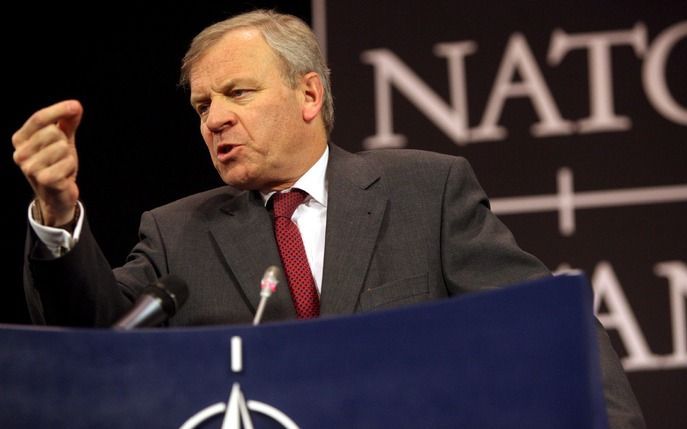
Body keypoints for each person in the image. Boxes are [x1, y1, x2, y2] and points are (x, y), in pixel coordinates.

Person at [11, 9, 644, 428]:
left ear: (309, 94)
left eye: (238, 93)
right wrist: (58, 211)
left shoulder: (424, 192)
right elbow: (93, 341)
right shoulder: (177, 234)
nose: (215, 119)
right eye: (203, 105)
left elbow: (547, 325)